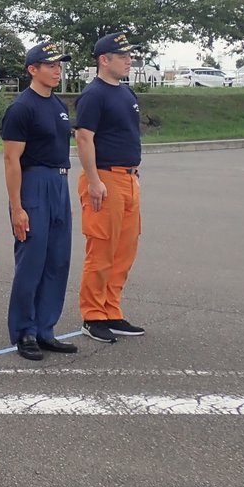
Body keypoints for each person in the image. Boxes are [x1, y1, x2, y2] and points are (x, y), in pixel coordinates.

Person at [2, 40, 79, 361]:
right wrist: (17, 207)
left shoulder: (58, 105)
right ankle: (25, 331)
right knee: (32, 261)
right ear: (33, 70)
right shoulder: (22, 108)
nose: (57, 70)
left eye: (59, 65)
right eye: (50, 65)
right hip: (34, 183)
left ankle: (46, 328)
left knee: (57, 259)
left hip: (59, 182)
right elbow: (11, 160)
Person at [75, 32, 146, 343]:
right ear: (104, 60)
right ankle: (93, 316)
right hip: (105, 179)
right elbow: (84, 138)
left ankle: (111, 310)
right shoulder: (94, 94)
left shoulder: (126, 93)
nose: (129, 60)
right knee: (102, 250)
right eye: (122, 56)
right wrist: (93, 181)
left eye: (129, 55)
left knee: (123, 251)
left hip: (129, 179)